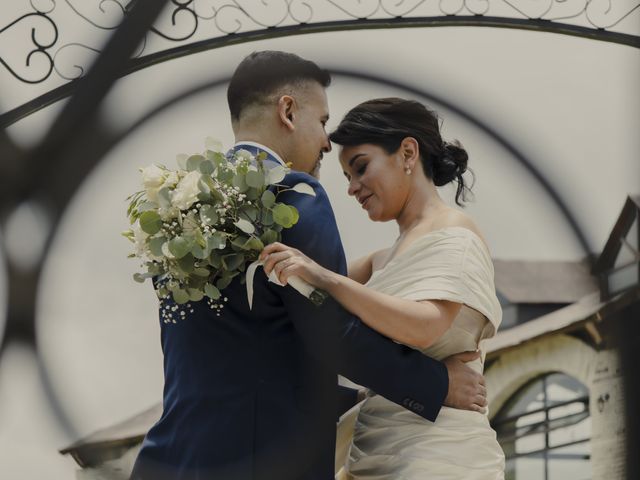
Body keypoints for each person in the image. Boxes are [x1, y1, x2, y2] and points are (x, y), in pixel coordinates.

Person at [130, 52, 487, 480]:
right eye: (321, 122)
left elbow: (243, 345)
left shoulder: (177, 210)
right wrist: (437, 385)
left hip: (173, 456)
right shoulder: (293, 194)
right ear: (287, 111)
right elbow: (332, 332)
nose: (324, 141)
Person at [262, 97, 505, 479]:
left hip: (437, 455)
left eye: (360, 168)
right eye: (345, 177)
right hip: (371, 450)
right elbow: (312, 310)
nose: (352, 189)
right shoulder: (380, 259)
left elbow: (426, 324)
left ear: (408, 152)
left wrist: (326, 277)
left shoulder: (455, 233)